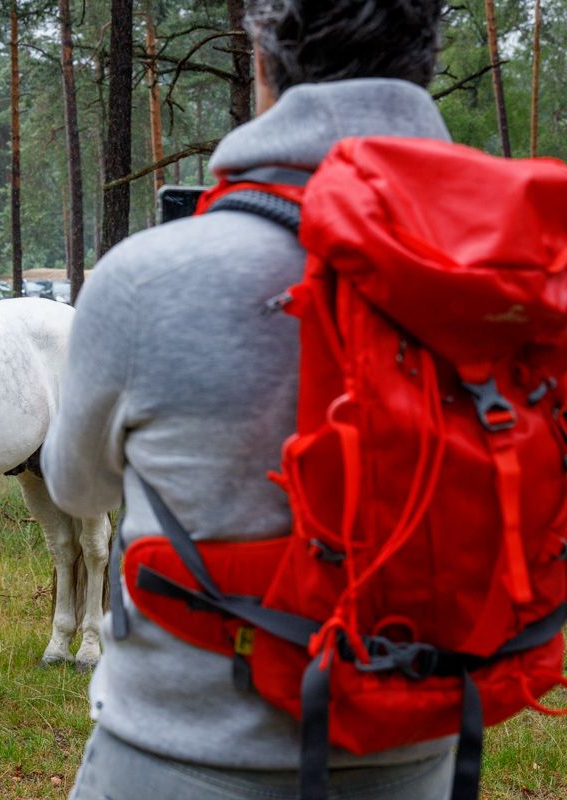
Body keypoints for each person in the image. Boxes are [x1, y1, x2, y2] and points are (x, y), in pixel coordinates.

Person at [42, 2, 458, 798]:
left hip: (179, 756)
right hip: (419, 750)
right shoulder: (507, 266)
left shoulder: (145, 279)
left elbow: (76, 487)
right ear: (423, 61)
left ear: (263, 62)